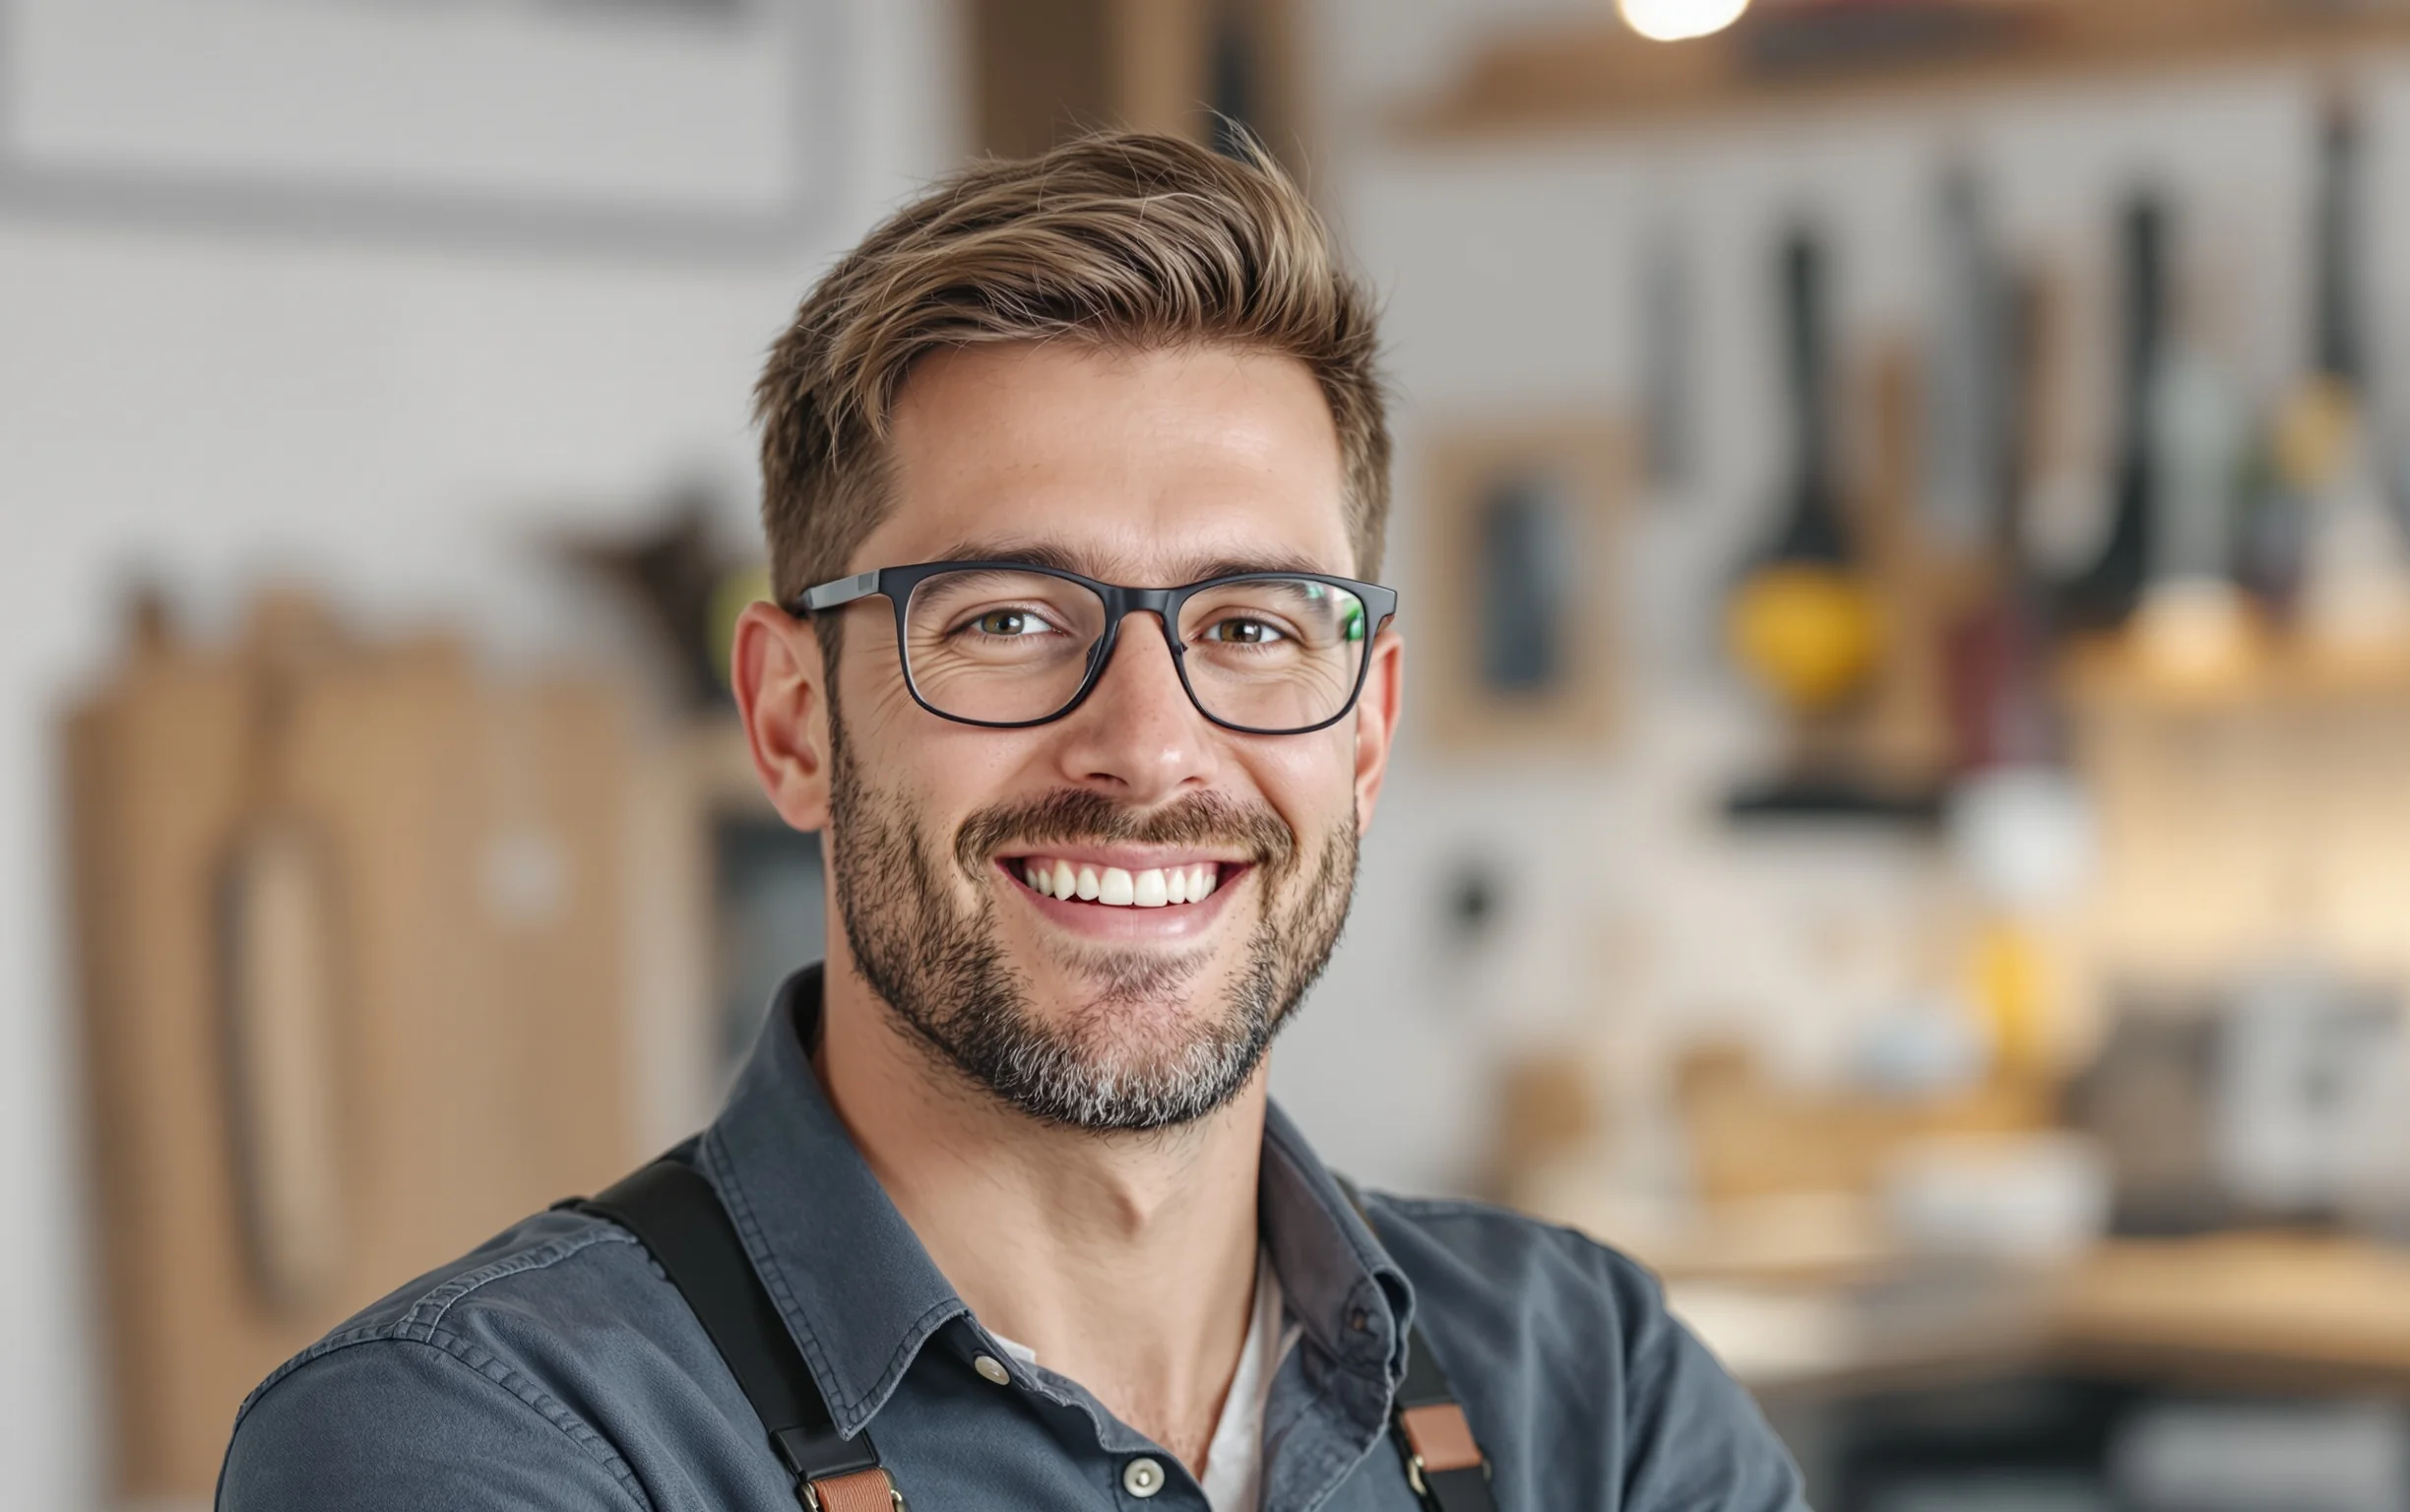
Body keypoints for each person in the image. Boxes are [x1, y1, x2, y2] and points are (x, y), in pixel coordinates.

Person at [218, 131, 1808, 1512]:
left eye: (1253, 627)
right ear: (791, 720)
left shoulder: (1591, 1390)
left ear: (1369, 725)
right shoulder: (471, 1443)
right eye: (1007, 620)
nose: (1149, 745)